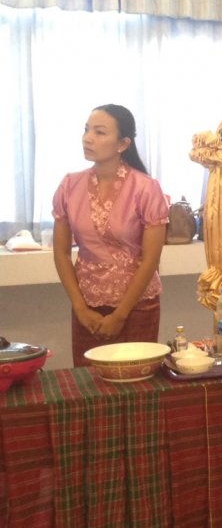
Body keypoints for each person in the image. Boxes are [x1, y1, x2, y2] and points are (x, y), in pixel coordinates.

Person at [52, 104, 168, 366]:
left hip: (136, 305)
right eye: (86, 130)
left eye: (100, 132)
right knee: (88, 380)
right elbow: (61, 253)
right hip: (87, 307)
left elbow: (151, 260)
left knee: (135, 380)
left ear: (123, 143)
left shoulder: (146, 188)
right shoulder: (69, 185)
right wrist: (80, 309)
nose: (87, 138)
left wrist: (120, 315)